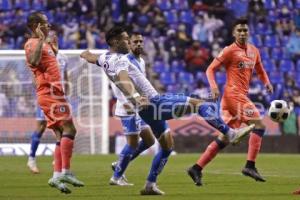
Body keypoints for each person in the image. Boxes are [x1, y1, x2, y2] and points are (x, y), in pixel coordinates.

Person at [80, 26, 254, 195]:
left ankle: (150, 185)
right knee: (198, 103)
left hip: (146, 109)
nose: (129, 42)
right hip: (153, 102)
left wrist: (84, 53)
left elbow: (90, 56)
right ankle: (229, 133)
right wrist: (135, 96)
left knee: (167, 146)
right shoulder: (119, 60)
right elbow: (123, 78)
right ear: (115, 41)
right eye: (126, 39)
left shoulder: (105, 58)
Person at [187, 18, 274, 186]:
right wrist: (213, 87)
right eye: (239, 31)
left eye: (245, 30)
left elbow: (260, 69)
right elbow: (210, 69)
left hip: (237, 97)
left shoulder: (254, 51)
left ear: (248, 32)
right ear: (234, 33)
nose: (242, 33)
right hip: (233, 95)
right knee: (260, 125)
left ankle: (196, 168)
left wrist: (267, 82)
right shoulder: (229, 50)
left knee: (226, 137)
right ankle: (250, 166)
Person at [24, 11, 83, 194]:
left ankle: (57, 176)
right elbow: (33, 62)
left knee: (60, 134)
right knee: (70, 129)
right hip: (49, 93)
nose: (48, 26)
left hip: (56, 92)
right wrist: (42, 41)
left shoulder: (46, 44)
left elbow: (47, 64)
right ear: (36, 25)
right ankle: (65, 171)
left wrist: (54, 51)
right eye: (45, 23)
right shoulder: (32, 43)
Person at [109, 32, 156, 186]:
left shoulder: (141, 61)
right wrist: (128, 101)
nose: (139, 44)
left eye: (141, 41)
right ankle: (117, 176)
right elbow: (120, 84)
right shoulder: (123, 61)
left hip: (139, 107)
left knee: (149, 140)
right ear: (129, 44)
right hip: (128, 106)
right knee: (132, 143)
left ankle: (119, 164)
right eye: (135, 42)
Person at [27, 52, 69, 174]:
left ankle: (57, 160)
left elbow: (66, 77)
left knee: (62, 128)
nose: (52, 41)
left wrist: (67, 95)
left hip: (60, 97)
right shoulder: (41, 55)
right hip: (46, 96)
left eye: (55, 39)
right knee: (41, 127)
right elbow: (34, 76)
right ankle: (31, 159)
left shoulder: (63, 57)